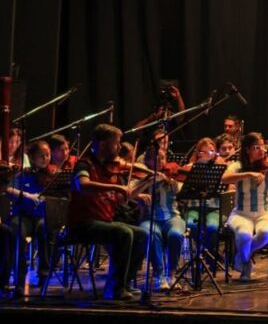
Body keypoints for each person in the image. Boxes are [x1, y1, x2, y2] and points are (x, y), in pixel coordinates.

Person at [67, 123, 151, 300]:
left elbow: (121, 199)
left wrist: (147, 182)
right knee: (123, 232)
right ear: (103, 144)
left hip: (103, 222)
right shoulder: (84, 164)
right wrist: (115, 186)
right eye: (116, 143)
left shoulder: (109, 169)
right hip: (83, 224)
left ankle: (124, 283)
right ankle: (114, 289)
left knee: (142, 234)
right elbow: (82, 185)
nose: (119, 147)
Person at [221, 132, 268, 281]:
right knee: (244, 235)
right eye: (257, 147)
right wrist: (248, 174)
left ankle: (242, 258)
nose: (262, 150)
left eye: (263, 146)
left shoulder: (267, 167)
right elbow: (224, 178)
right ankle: (246, 266)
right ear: (247, 149)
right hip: (241, 213)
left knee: (265, 234)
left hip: (264, 213)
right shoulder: (237, 166)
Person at [130, 147, 185, 291]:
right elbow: (129, 192)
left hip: (172, 216)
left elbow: (184, 192)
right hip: (149, 218)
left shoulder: (171, 175)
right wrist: (148, 182)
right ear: (148, 160)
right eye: (156, 159)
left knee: (176, 234)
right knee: (151, 234)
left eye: (162, 158)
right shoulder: (142, 175)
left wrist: (174, 182)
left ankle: (171, 274)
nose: (160, 162)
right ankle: (159, 275)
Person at [8, 140, 51, 290]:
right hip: (24, 216)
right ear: (31, 157)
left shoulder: (52, 176)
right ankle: (20, 276)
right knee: (16, 230)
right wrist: (26, 195)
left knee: (46, 228)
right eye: (41, 155)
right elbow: (8, 188)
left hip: (42, 216)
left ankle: (44, 273)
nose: (45, 159)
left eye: (48, 155)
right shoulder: (22, 174)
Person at [180, 137, 223, 255]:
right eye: (205, 152)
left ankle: (206, 253)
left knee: (213, 227)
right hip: (194, 207)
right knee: (191, 225)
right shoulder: (189, 168)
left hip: (213, 208)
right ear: (198, 153)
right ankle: (199, 251)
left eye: (212, 151)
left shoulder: (219, 167)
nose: (210, 154)